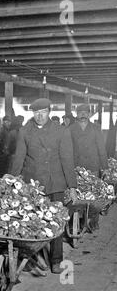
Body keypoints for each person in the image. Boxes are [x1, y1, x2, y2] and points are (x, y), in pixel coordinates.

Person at [10, 98, 78, 274]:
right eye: (36, 112)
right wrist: (9, 180)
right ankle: (33, 258)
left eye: (43, 112)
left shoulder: (61, 131)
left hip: (55, 183)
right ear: (32, 113)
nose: (39, 116)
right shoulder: (25, 131)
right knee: (33, 221)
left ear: (50, 111)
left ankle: (56, 260)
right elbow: (18, 158)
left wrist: (71, 186)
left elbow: (67, 159)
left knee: (56, 222)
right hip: (32, 183)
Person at [69, 103, 108, 231]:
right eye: (80, 112)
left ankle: (94, 220)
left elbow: (101, 149)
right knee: (78, 195)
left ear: (90, 114)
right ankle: (80, 221)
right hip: (76, 167)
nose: (83, 115)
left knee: (94, 194)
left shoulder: (96, 129)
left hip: (93, 166)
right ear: (76, 114)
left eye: (86, 112)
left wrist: (105, 167)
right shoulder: (70, 129)